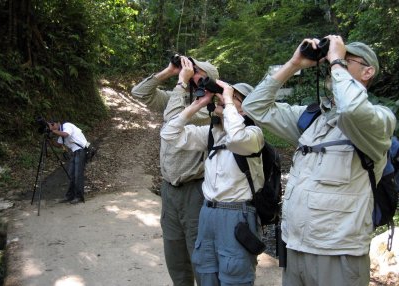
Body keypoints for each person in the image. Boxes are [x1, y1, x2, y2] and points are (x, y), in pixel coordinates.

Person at [242, 35, 396, 286]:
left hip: (339, 255)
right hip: (296, 248)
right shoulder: (312, 119)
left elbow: (353, 110)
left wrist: (336, 60)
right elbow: (254, 106)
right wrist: (294, 64)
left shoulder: (380, 121)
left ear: (368, 71)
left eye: (348, 60)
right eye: (334, 60)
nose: (334, 65)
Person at [161, 81, 265, 286]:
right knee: (206, 274)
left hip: (237, 215)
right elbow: (169, 134)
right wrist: (198, 104)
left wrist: (227, 102)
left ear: (245, 108)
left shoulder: (254, 135)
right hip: (208, 213)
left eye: (233, 96)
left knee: (235, 278)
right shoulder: (212, 134)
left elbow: (236, 139)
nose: (222, 98)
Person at [131, 55, 219, 286]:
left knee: (199, 253)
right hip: (169, 189)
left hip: (195, 189)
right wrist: (169, 71)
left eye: (195, 71)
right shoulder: (177, 98)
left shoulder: (208, 110)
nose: (189, 73)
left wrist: (181, 83)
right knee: (174, 253)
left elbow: (172, 120)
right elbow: (139, 93)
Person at [48, 120, 89, 204]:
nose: (52, 127)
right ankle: (70, 196)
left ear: (58, 123)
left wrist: (53, 131)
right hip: (75, 152)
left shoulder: (67, 126)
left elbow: (66, 134)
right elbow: (58, 145)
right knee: (71, 174)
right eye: (50, 126)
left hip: (81, 150)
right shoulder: (61, 133)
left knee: (78, 174)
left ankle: (79, 197)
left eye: (52, 124)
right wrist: (50, 139)